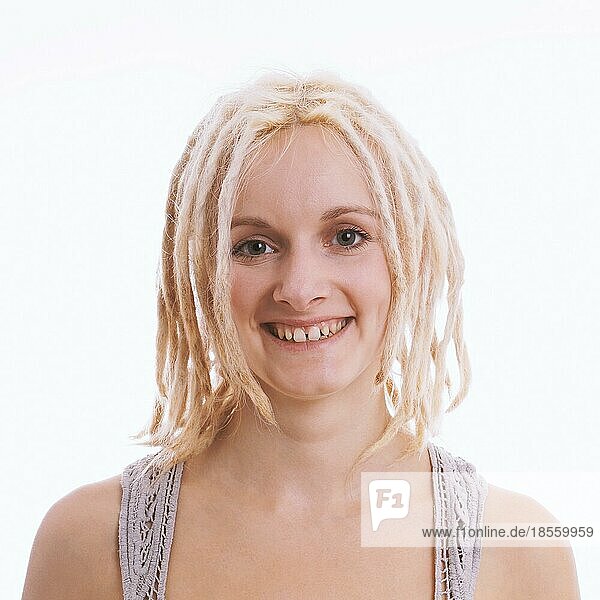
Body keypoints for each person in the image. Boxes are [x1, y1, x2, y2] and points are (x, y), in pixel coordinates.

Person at [22, 70, 580, 600]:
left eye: (347, 236)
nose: (300, 287)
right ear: (198, 271)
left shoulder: (519, 549)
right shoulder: (90, 545)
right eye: (255, 246)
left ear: (405, 257)